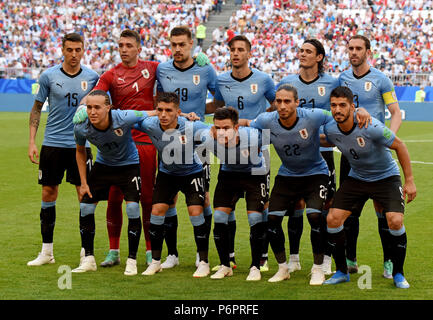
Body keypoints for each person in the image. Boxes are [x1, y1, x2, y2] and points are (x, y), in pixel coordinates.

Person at [240, 85, 370, 285]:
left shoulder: (313, 116)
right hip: (287, 175)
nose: (282, 106)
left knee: (315, 215)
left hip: (315, 173)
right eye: (278, 101)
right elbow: (248, 123)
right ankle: (283, 268)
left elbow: (337, 116)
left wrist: (359, 110)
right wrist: (226, 126)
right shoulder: (267, 120)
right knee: (272, 219)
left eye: (287, 101)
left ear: (296, 102)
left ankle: (318, 268)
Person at [322, 86, 416, 289]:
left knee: (395, 220)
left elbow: (400, 145)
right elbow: (325, 140)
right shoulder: (330, 128)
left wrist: (409, 180)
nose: (337, 110)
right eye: (334, 105)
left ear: (352, 107)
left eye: (342, 105)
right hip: (357, 178)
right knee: (333, 218)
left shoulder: (369, 125)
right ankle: (341, 271)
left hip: (386, 178)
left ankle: (398, 273)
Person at [27, 33, 99, 266]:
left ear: (83, 50)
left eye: (78, 49)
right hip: (52, 144)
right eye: (70, 50)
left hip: (81, 145)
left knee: (84, 195)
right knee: (48, 194)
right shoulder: (49, 76)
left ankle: (86, 252)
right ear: (63, 50)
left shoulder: (93, 77)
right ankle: (46, 252)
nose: (74, 54)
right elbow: (37, 108)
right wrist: (31, 141)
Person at [207, 35, 276, 272]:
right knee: (228, 203)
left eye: (240, 50)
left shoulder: (264, 79)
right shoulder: (221, 80)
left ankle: (263, 257)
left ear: (249, 53)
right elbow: (217, 107)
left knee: (260, 206)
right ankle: (230, 258)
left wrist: (256, 122)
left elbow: (277, 105)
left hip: (258, 151)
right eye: (232, 50)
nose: (236, 54)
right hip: (229, 152)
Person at [339, 35, 403, 278]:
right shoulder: (342, 78)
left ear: (368, 51)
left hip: (376, 154)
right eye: (350, 48)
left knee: (382, 210)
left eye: (358, 48)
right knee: (349, 209)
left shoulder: (381, 79)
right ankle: (350, 258)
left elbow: (395, 112)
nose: (354, 52)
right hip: (350, 154)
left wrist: (389, 137)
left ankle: (388, 261)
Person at [72, 90, 155, 275]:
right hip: (104, 165)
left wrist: (181, 114)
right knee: (85, 208)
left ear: (108, 108)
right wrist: (84, 183)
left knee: (133, 209)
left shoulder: (123, 117)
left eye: (97, 107)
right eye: (89, 107)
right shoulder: (81, 127)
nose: (92, 112)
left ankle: (132, 261)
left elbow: (152, 113)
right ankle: (89, 259)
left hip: (129, 165)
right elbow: (80, 151)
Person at [156, 26, 217, 270]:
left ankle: (202, 254)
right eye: (174, 44)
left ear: (191, 44)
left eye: (182, 44)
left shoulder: (205, 68)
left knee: (202, 199)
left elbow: (219, 99)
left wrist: (199, 117)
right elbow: (156, 100)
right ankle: (172, 254)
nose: (178, 49)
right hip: (169, 139)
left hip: (199, 141)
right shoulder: (162, 69)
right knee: (168, 199)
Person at [278, 39, 339, 275]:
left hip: (322, 154)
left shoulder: (332, 82)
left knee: (324, 207)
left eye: (308, 51)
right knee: (296, 205)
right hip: (296, 154)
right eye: (300, 50)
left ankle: (325, 259)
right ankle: (293, 259)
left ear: (319, 57)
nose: (302, 54)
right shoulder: (288, 83)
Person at [138, 92, 211, 278]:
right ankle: (156, 262)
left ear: (178, 112)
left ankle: (203, 261)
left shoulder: (192, 127)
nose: (163, 114)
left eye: (168, 111)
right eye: (160, 110)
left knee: (195, 212)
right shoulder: (149, 124)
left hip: (192, 172)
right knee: (157, 211)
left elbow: (215, 132)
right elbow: (128, 118)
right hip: (167, 174)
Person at [204, 107, 268, 281]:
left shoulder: (254, 136)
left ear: (236, 128)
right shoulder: (208, 138)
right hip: (229, 174)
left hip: (254, 173)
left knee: (255, 218)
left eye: (226, 128)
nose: (221, 132)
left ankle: (255, 266)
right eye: (217, 128)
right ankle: (225, 265)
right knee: (218, 217)